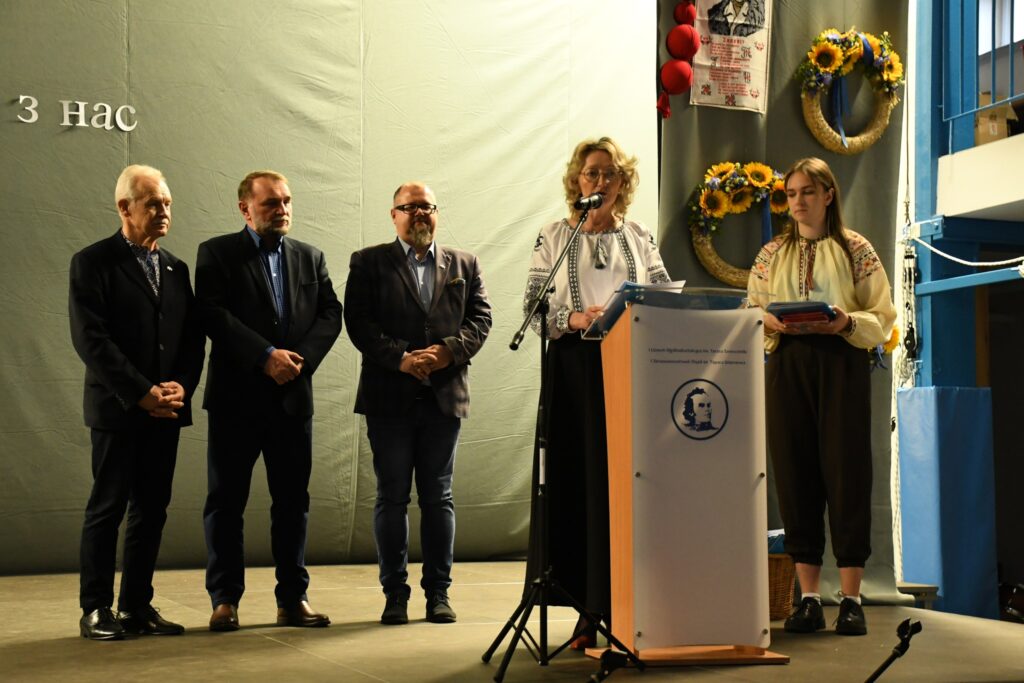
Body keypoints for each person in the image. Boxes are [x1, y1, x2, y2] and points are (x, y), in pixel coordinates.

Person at [523, 137, 670, 646]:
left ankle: (632, 609)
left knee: (627, 485)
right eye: (592, 173)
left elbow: (665, 293)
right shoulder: (554, 235)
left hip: (630, 366)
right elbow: (533, 309)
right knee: (579, 482)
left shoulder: (639, 235)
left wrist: (637, 310)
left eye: (610, 173)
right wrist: (574, 317)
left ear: (623, 182)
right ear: (576, 181)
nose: (601, 181)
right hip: (574, 372)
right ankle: (587, 610)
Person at [747, 157, 896, 636]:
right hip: (788, 365)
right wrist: (768, 319)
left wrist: (846, 321)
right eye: (791, 193)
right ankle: (809, 599)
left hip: (841, 362)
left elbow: (882, 314)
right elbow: (752, 308)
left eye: (807, 192)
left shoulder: (856, 249)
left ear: (828, 195)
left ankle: (851, 599)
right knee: (795, 474)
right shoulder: (771, 253)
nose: (797, 201)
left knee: (847, 473)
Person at [196, 170, 342, 631]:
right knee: (226, 503)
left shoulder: (310, 257)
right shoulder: (217, 253)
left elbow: (331, 313)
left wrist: (299, 361)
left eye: (287, 201)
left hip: (292, 399)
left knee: (293, 503)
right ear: (245, 209)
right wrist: (265, 356)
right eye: (271, 203)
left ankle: (292, 599)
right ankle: (224, 600)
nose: (282, 210)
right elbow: (212, 314)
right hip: (235, 401)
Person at [344, 182, 492, 625]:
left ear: (436, 213)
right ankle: (395, 595)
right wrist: (401, 359)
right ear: (394, 215)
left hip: (444, 398)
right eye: (410, 207)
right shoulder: (368, 261)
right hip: (389, 398)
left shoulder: (464, 263)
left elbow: (481, 319)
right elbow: (358, 322)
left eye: (427, 206)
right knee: (391, 497)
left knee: (438, 498)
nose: (420, 213)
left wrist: (447, 352)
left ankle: (438, 595)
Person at [69, 165, 205, 640]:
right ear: (124, 208)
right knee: (107, 508)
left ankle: (135, 606)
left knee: (152, 510)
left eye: (167, 203)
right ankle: (95, 609)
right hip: (119, 410)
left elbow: (191, 341)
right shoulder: (93, 262)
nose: (164, 211)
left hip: (166, 410)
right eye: (153, 203)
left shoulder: (176, 269)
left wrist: (181, 387)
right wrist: (141, 393)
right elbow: (91, 340)